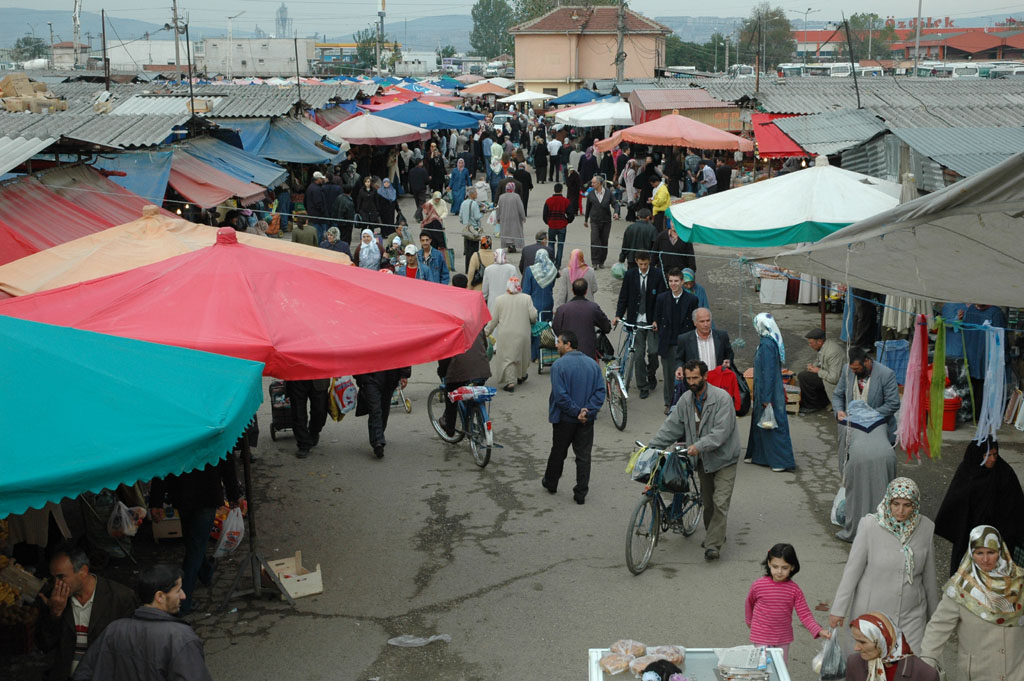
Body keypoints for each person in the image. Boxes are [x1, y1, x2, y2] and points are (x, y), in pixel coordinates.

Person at [830, 478, 939, 656]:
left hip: (911, 615)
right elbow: (851, 573)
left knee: (910, 667)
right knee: (869, 667)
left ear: (916, 505)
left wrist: (936, 618)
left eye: (907, 505)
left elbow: (929, 578)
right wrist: (838, 610)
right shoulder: (870, 526)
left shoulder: (926, 527)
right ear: (888, 501)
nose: (900, 510)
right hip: (872, 614)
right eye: (896, 504)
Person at [649, 359, 741, 561]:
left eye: (695, 378)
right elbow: (671, 427)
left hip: (725, 459)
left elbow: (721, 433)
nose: (691, 382)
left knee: (720, 502)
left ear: (705, 376)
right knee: (707, 504)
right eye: (688, 378)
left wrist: (697, 446)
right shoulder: (685, 400)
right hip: (702, 461)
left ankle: (713, 545)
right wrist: (652, 447)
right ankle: (714, 534)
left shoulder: (722, 399)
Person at [71, 564, 213, 681]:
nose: (183, 596)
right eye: (178, 590)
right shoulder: (180, 638)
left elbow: (83, 673)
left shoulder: (114, 629)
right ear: (160, 596)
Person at [920, 525, 1024, 680]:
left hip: (1016, 673)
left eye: (991, 552)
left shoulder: (1019, 582)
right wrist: (926, 663)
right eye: (979, 553)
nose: (985, 559)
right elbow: (938, 628)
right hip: (976, 675)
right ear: (971, 553)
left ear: (1001, 552)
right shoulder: (960, 588)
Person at [148, 454, 242, 615]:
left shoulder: (179, 432)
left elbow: (163, 462)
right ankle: (182, 603)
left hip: (183, 494)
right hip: (205, 496)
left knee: (194, 543)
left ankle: (206, 572)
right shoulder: (213, 431)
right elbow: (227, 463)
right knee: (195, 548)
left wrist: (156, 501)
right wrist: (234, 494)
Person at [38, 545, 137, 680]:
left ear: (83, 571)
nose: (56, 584)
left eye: (62, 577)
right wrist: (55, 614)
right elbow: (45, 645)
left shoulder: (120, 597)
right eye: (53, 578)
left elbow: (131, 647)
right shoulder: (52, 598)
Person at [934, 437, 1024, 576]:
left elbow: (1015, 505)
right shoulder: (967, 472)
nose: (993, 459)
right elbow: (956, 503)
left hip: (998, 537)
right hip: (969, 535)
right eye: (987, 455)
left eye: (995, 454)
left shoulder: (1004, 473)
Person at [542, 330, 606, 504]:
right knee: (584, 456)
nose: (556, 345)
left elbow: (560, 396)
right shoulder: (592, 364)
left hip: (565, 419)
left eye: (559, 342)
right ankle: (580, 493)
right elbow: (600, 391)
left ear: (568, 344)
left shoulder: (558, 366)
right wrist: (587, 411)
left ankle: (551, 482)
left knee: (558, 452)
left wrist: (576, 411)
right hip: (586, 420)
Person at [745, 544, 828, 666]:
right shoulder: (758, 585)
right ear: (768, 563)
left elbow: (805, 615)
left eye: (784, 567)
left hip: (782, 637)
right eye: (775, 566)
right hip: (760, 634)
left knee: (780, 667)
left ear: (792, 567)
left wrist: (819, 630)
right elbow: (749, 603)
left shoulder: (794, 590)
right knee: (762, 667)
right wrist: (749, 621)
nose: (779, 571)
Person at [746, 312, 796, 472]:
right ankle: (759, 456)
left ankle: (780, 461)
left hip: (769, 393)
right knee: (762, 424)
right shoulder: (769, 341)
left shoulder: (767, 345)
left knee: (772, 426)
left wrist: (766, 397)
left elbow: (768, 372)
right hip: (767, 391)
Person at [614, 251, 665, 400]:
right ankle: (642, 385)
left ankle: (651, 373)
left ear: (649, 261)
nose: (643, 267)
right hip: (635, 321)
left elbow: (661, 300)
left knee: (654, 351)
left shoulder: (657, 275)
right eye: (640, 264)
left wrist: (657, 319)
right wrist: (618, 314)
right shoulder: (630, 275)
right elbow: (623, 296)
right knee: (638, 355)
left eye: (645, 264)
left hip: (651, 323)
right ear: (636, 261)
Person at [832, 346, 901, 445]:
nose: (853, 372)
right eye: (852, 369)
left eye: (856, 369)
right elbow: (837, 395)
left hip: (879, 431)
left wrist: (868, 416)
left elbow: (893, 404)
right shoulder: (847, 369)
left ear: (866, 362)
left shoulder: (886, 374)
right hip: (853, 431)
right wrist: (839, 410)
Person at [654, 268, 699, 414]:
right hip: (668, 342)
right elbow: (658, 318)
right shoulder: (662, 298)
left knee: (687, 374)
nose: (673, 284)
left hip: (685, 342)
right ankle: (669, 402)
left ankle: (687, 402)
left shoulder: (692, 299)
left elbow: (694, 322)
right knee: (668, 375)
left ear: (682, 282)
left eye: (676, 281)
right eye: (671, 281)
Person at [845, 612, 939, 681]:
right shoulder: (854, 663)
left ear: (883, 641)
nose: (856, 648)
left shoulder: (925, 674)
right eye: (856, 641)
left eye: (863, 642)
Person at [437, 324, 492, 438]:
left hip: (461, 372)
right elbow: (485, 345)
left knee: (451, 393)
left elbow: (444, 356)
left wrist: (442, 373)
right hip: (482, 369)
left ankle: (450, 427)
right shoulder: (476, 323)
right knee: (475, 391)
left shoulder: (450, 327)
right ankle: (477, 418)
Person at [485, 276, 537, 392]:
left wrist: (486, 332)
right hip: (522, 333)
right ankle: (521, 375)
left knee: (508, 358)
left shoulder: (500, 300)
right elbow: (533, 316)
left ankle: (510, 382)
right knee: (521, 355)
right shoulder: (526, 298)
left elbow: (494, 320)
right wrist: (533, 321)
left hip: (506, 334)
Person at [354, 366, 411, 459]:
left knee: (384, 409)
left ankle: (379, 433)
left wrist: (404, 375)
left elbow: (402, 353)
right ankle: (377, 441)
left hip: (389, 377)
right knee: (375, 410)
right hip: (369, 376)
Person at [963, 304, 1008, 420]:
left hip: (971, 354)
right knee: (986, 387)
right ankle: (983, 417)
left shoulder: (971, 310)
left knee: (974, 385)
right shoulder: (996, 313)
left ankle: (973, 415)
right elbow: (1002, 339)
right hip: (988, 357)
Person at [797, 328, 845, 415]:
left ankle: (812, 405)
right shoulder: (823, 347)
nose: (810, 345)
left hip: (835, 382)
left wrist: (818, 370)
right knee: (806, 374)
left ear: (819, 341)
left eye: (811, 343)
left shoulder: (832, 352)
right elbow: (819, 360)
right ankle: (820, 400)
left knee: (804, 377)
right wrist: (813, 367)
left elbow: (834, 378)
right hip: (827, 374)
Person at [675, 308, 734, 377]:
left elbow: (729, 353)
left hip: (718, 380)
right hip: (696, 382)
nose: (706, 324)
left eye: (708, 321)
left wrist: (728, 361)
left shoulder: (722, 336)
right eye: (702, 321)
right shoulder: (684, 339)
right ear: (695, 323)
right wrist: (679, 367)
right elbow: (679, 359)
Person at [523, 249, 557, 361]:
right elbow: (551, 286)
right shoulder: (552, 270)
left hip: (534, 303)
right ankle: (546, 354)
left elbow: (526, 291)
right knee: (546, 328)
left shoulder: (530, 270)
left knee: (534, 329)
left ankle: (535, 356)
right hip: (548, 303)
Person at [583, 175, 615, 269]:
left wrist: (616, 212)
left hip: (606, 221)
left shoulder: (608, 193)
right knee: (594, 240)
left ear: (600, 183)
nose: (592, 184)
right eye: (592, 182)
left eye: (594, 183)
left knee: (604, 241)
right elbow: (588, 207)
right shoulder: (591, 194)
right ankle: (595, 261)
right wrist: (586, 220)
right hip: (595, 221)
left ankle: (601, 261)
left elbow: (614, 203)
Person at [542, 183, 572, 268]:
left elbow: (544, 215)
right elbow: (571, 215)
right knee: (560, 245)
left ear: (554, 190)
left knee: (551, 244)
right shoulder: (566, 201)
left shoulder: (548, 201)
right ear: (562, 190)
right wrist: (567, 221)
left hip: (552, 225)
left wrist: (548, 222)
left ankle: (551, 261)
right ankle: (558, 264)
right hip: (562, 225)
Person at [482, 248, 517, 314]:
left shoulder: (488, 269)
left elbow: (485, 289)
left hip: (493, 301)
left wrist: (484, 298)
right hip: (508, 301)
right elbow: (516, 287)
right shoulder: (512, 269)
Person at [459, 185, 484, 272]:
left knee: (467, 250)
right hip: (474, 230)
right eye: (476, 192)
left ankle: (467, 269)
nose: (477, 194)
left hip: (467, 229)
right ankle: (473, 269)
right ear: (472, 194)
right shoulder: (474, 204)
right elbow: (477, 217)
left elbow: (460, 218)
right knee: (474, 250)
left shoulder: (463, 203)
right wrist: (483, 213)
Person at [497, 182, 527, 252]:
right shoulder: (516, 196)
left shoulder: (501, 197)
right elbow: (521, 208)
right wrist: (523, 217)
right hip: (515, 217)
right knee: (514, 231)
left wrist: (498, 217)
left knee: (506, 232)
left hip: (504, 217)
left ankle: (509, 245)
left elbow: (498, 208)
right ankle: (514, 244)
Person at [304, 171, 329, 240]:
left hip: (312, 215)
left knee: (316, 234)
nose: (322, 180)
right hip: (318, 216)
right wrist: (323, 212)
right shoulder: (316, 189)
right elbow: (319, 203)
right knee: (319, 235)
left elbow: (305, 201)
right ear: (317, 179)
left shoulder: (310, 187)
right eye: (321, 178)